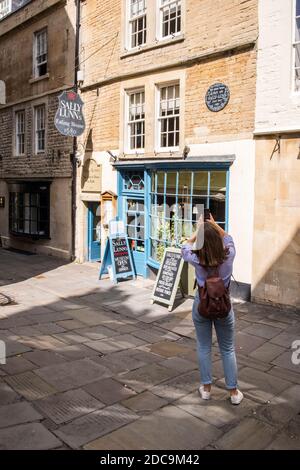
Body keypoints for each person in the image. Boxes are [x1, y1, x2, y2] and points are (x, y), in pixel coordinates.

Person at [181, 214, 243, 405]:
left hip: (202, 305)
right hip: (223, 306)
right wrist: (215, 226)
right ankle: (233, 393)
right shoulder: (229, 254)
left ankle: (206, 389)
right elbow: (229, 238)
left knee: (203, 346)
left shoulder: (195, 257)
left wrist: (199, 231)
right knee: (227, 348)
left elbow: (184, 246)